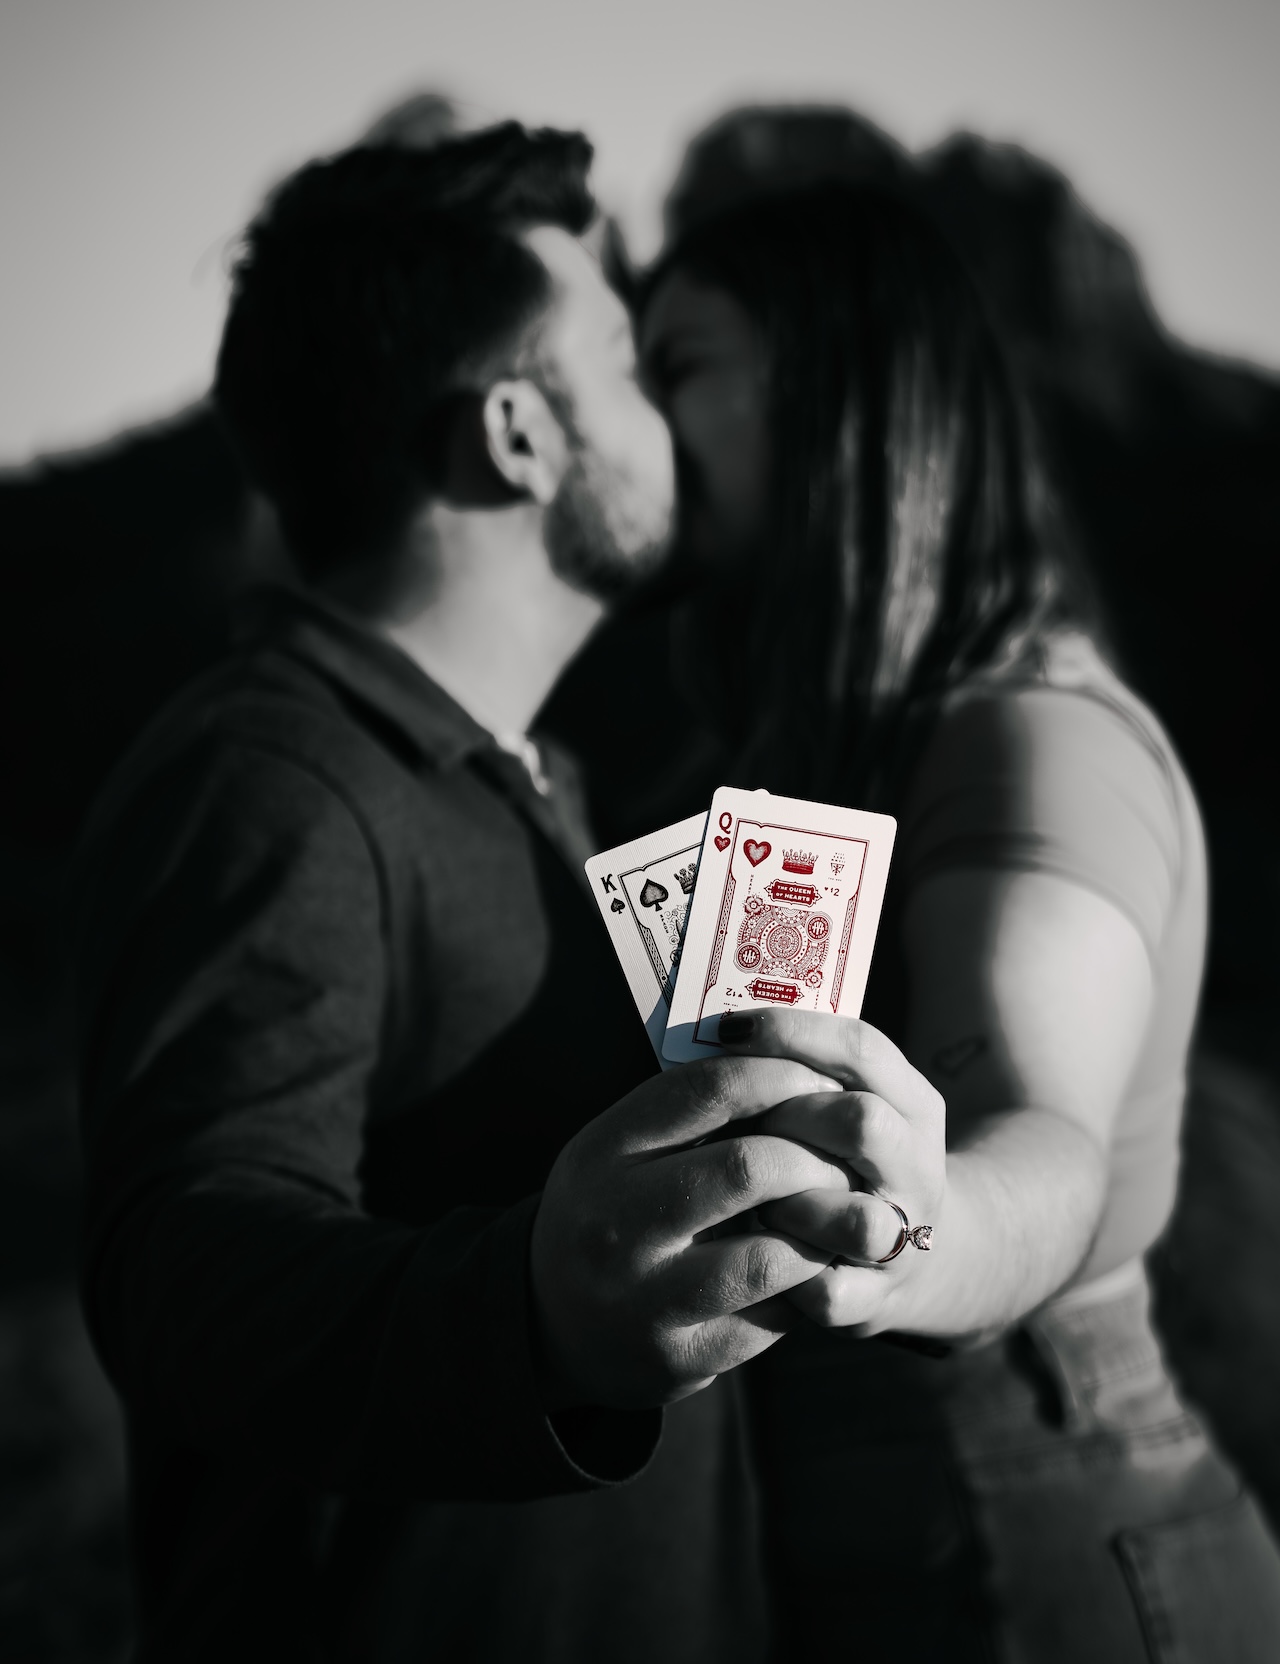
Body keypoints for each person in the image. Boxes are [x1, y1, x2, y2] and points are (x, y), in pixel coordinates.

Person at [69, 124, 945, 1662]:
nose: (668, 414)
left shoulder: (535, 782)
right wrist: (534, 1312)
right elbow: (178, 1263)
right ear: (521, 436)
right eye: (625, 357)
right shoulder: (273, 772)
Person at [637, 179, 1280, 1661]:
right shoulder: (807, 753)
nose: (643, 424)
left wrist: (907, 1240)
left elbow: (1035, 1139)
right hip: (900, 1526)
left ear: (842, 384)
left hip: (1031, 1520)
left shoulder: (1026, 737)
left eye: (679, 366)